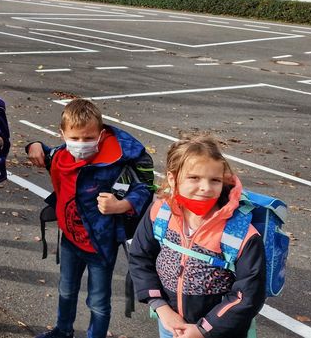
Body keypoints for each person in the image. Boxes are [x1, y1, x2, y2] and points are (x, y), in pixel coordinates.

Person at [25, 99, 154, 338]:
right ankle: (63, 331)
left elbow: (142, 189)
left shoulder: (113, 162)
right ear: (62, 134)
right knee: (66, 290)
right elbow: (47, 152)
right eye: (74, 138)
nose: (81, 144)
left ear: (101, 135)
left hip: (100, 245)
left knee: (98, 301)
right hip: (71, 241)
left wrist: (121, 205)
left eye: (88, 138)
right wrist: (33, 144)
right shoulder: (62, 155)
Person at [128, 134, 266, 338]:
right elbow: (140, 257)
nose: (206, 188)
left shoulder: (241, 233)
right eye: (194, 178)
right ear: (173, 178)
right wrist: (161, 308)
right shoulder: (160, 213)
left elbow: (248, 294)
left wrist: (203, 329)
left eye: (215, 180)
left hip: (221, 331)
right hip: (171, 324)